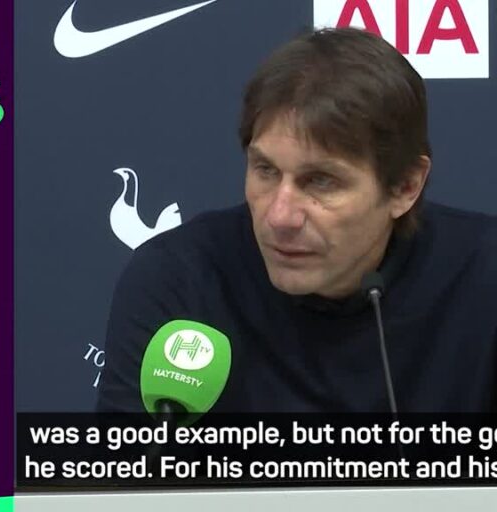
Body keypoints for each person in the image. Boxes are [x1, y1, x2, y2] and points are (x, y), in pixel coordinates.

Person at [97, 27, 497, 414]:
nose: (280, 216)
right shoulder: (180, 279)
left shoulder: (483, 278)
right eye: (266, 171)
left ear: (405, 187)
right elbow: (134, 459)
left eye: (321, 181)